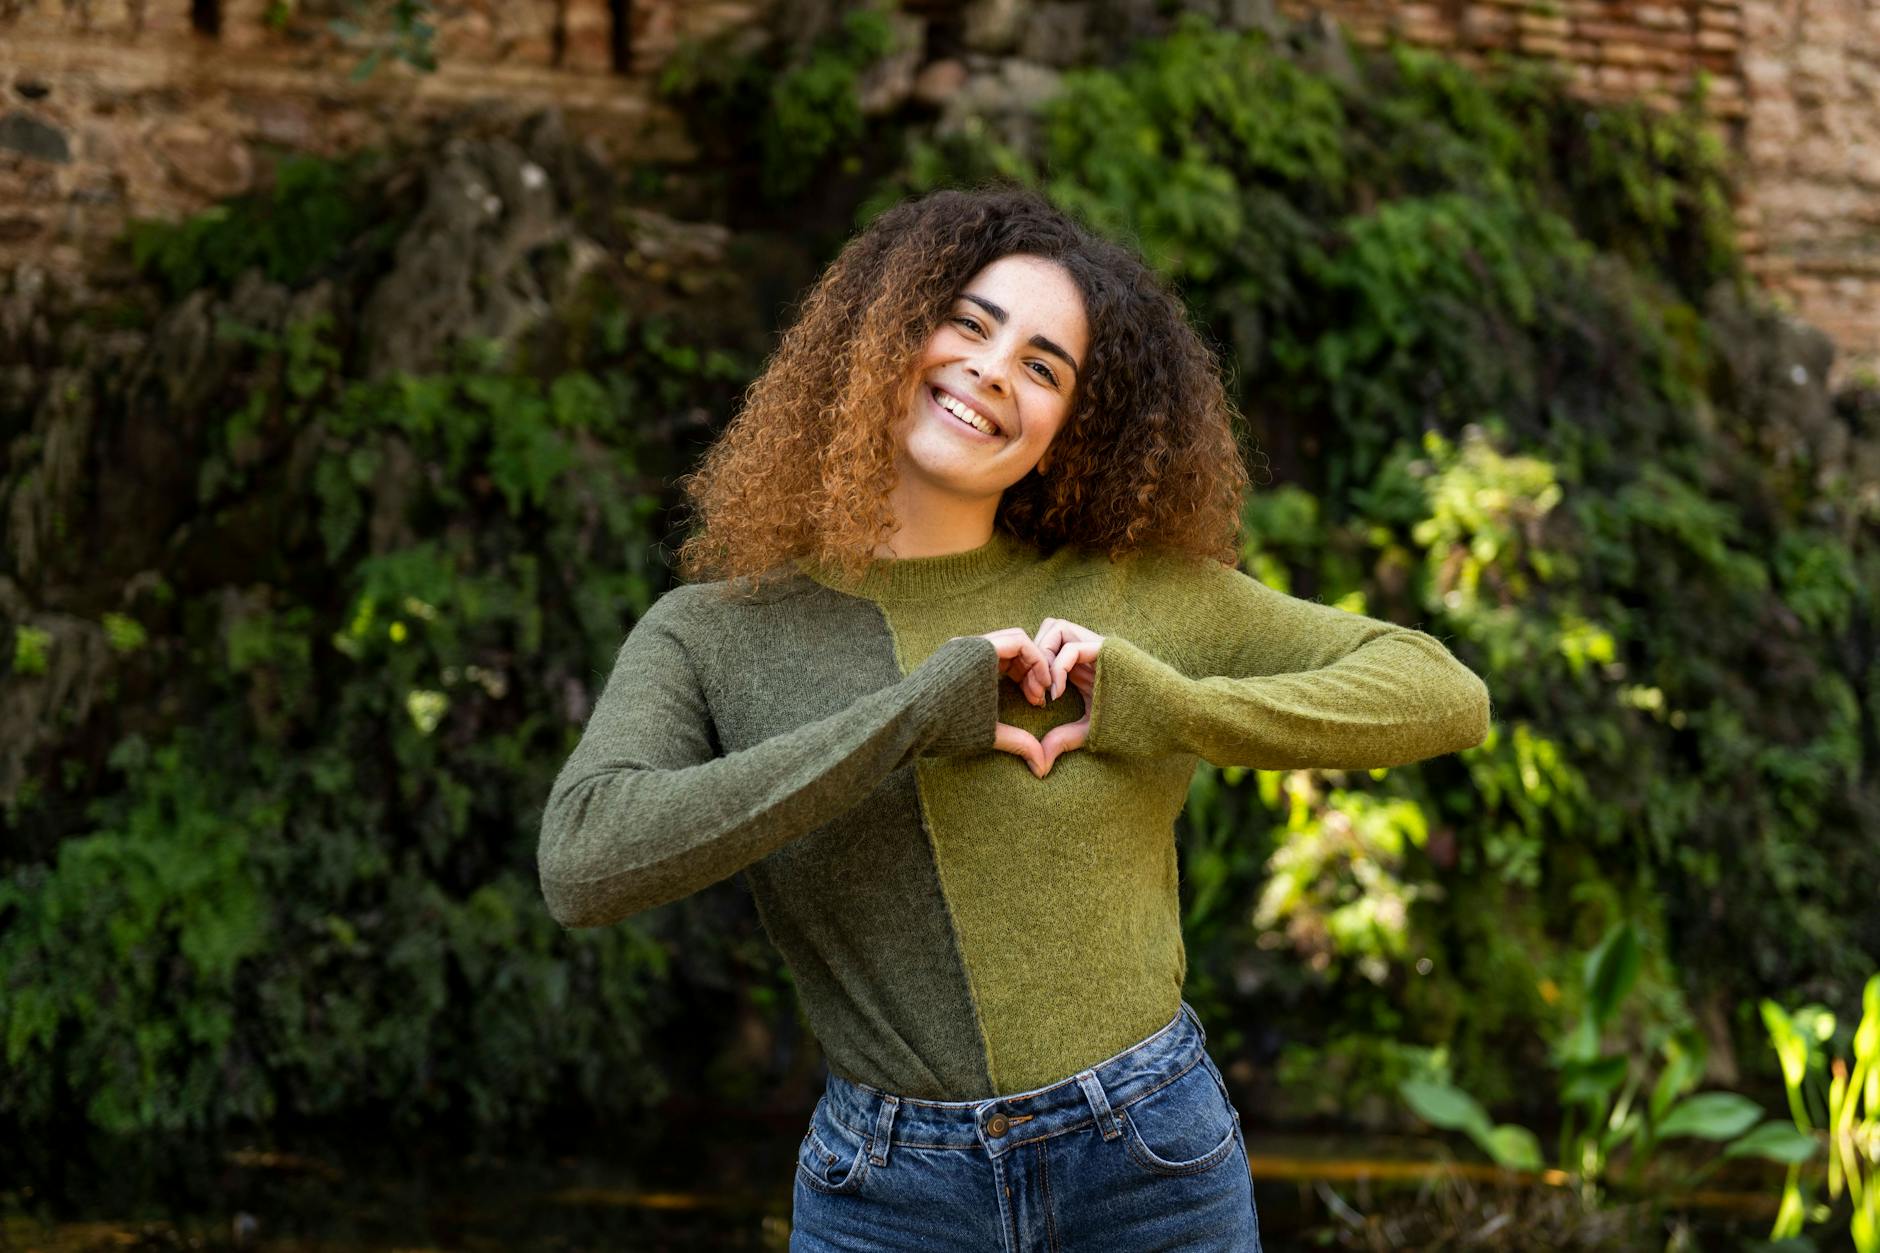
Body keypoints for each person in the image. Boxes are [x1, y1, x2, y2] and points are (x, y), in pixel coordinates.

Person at [536, 185, 1493, 1251]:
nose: (993, 372)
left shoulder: (1135, 593)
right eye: (969, 324)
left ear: (1070, 428)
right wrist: (907, 718)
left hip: (1150, 1166)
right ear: (884, 333)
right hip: (884, 1195)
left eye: (1044, 367)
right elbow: (585, 859)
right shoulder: (707, 635)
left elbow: (1439, 689)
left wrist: (1161, 704)